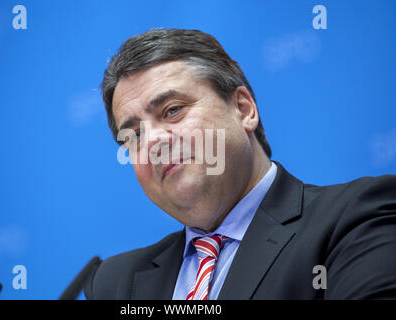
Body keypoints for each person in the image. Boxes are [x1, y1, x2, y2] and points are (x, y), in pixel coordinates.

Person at [85, 29, 396, 300]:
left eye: (172, 110)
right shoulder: (115, 283)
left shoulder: (355, 219)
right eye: (134, 135)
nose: (152, 142)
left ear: (244, 109)